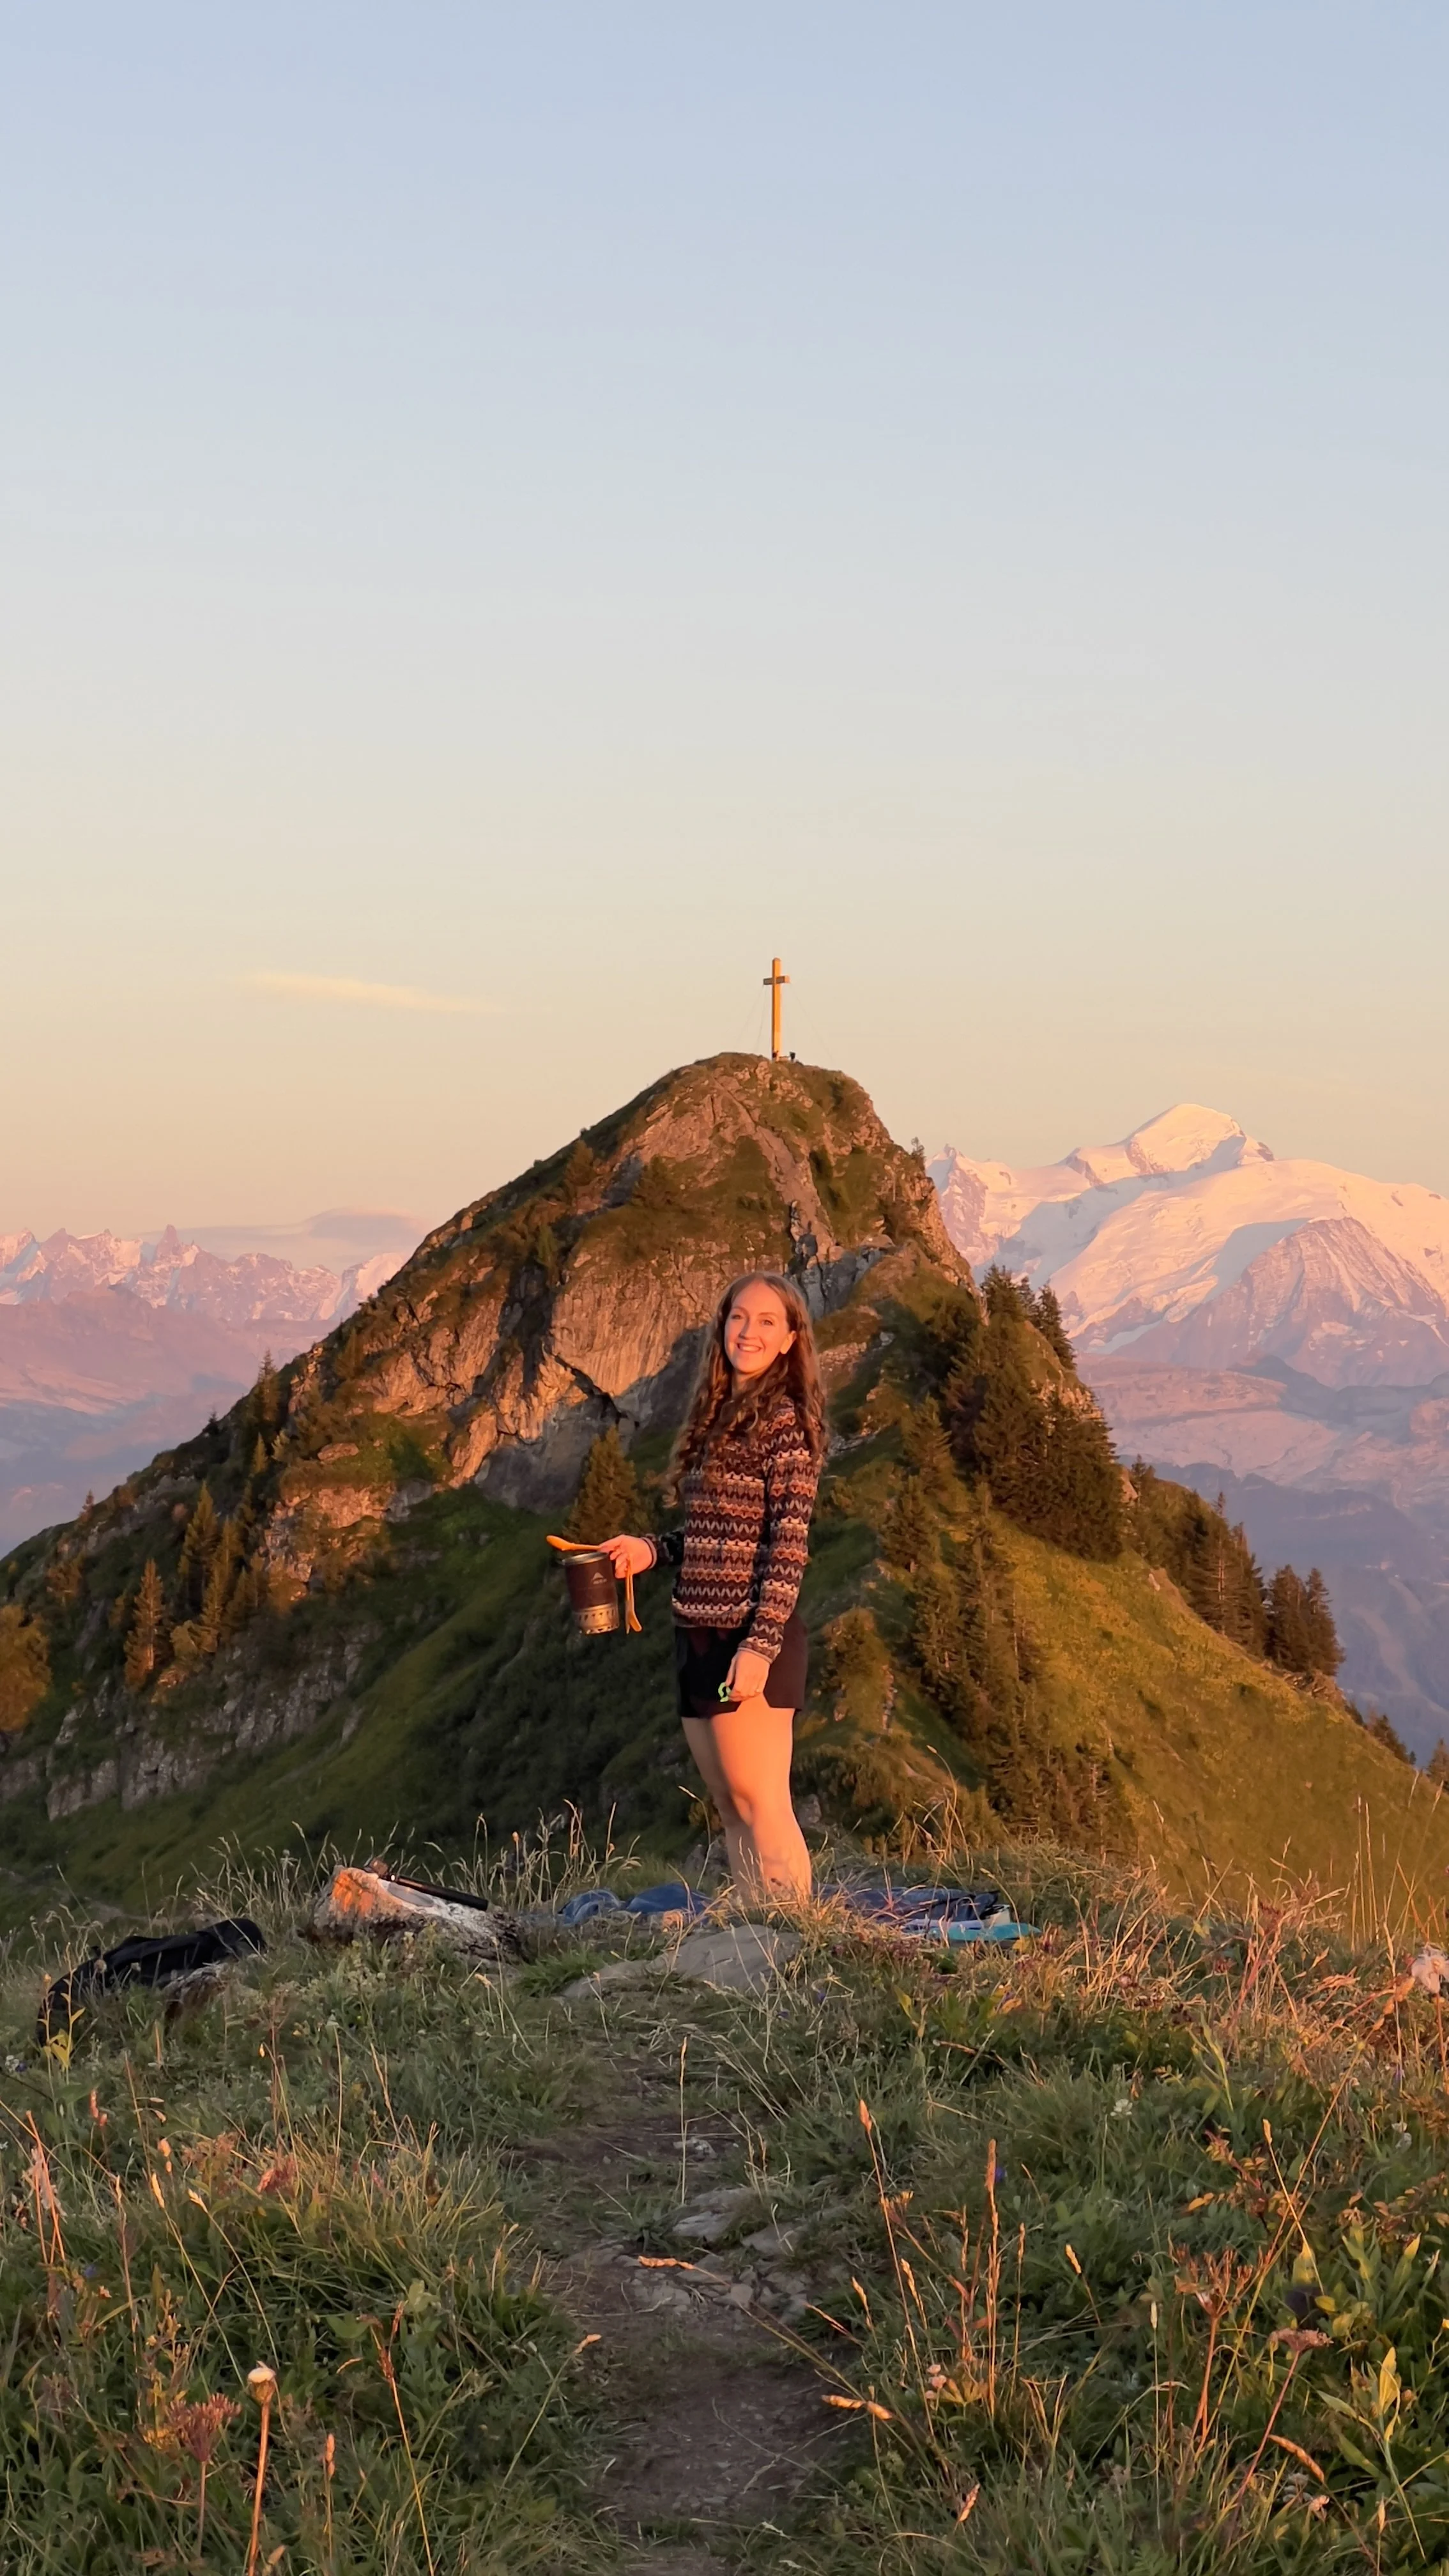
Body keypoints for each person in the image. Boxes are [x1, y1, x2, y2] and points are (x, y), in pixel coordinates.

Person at [599, 1271, 825, 1903]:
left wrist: (759, 1645)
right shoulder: (719, 1418)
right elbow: (711, 1534)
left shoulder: (784, 1423)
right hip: (694, 1629)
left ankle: (794, 1942)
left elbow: (788, 1542)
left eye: (766, 1322)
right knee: (730, 1807)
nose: (748, 1332)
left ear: (788, 1342)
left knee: (764, 1802)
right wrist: (652, 1549)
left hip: (746, 1636)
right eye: (737, 1318)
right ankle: (761, 1932)